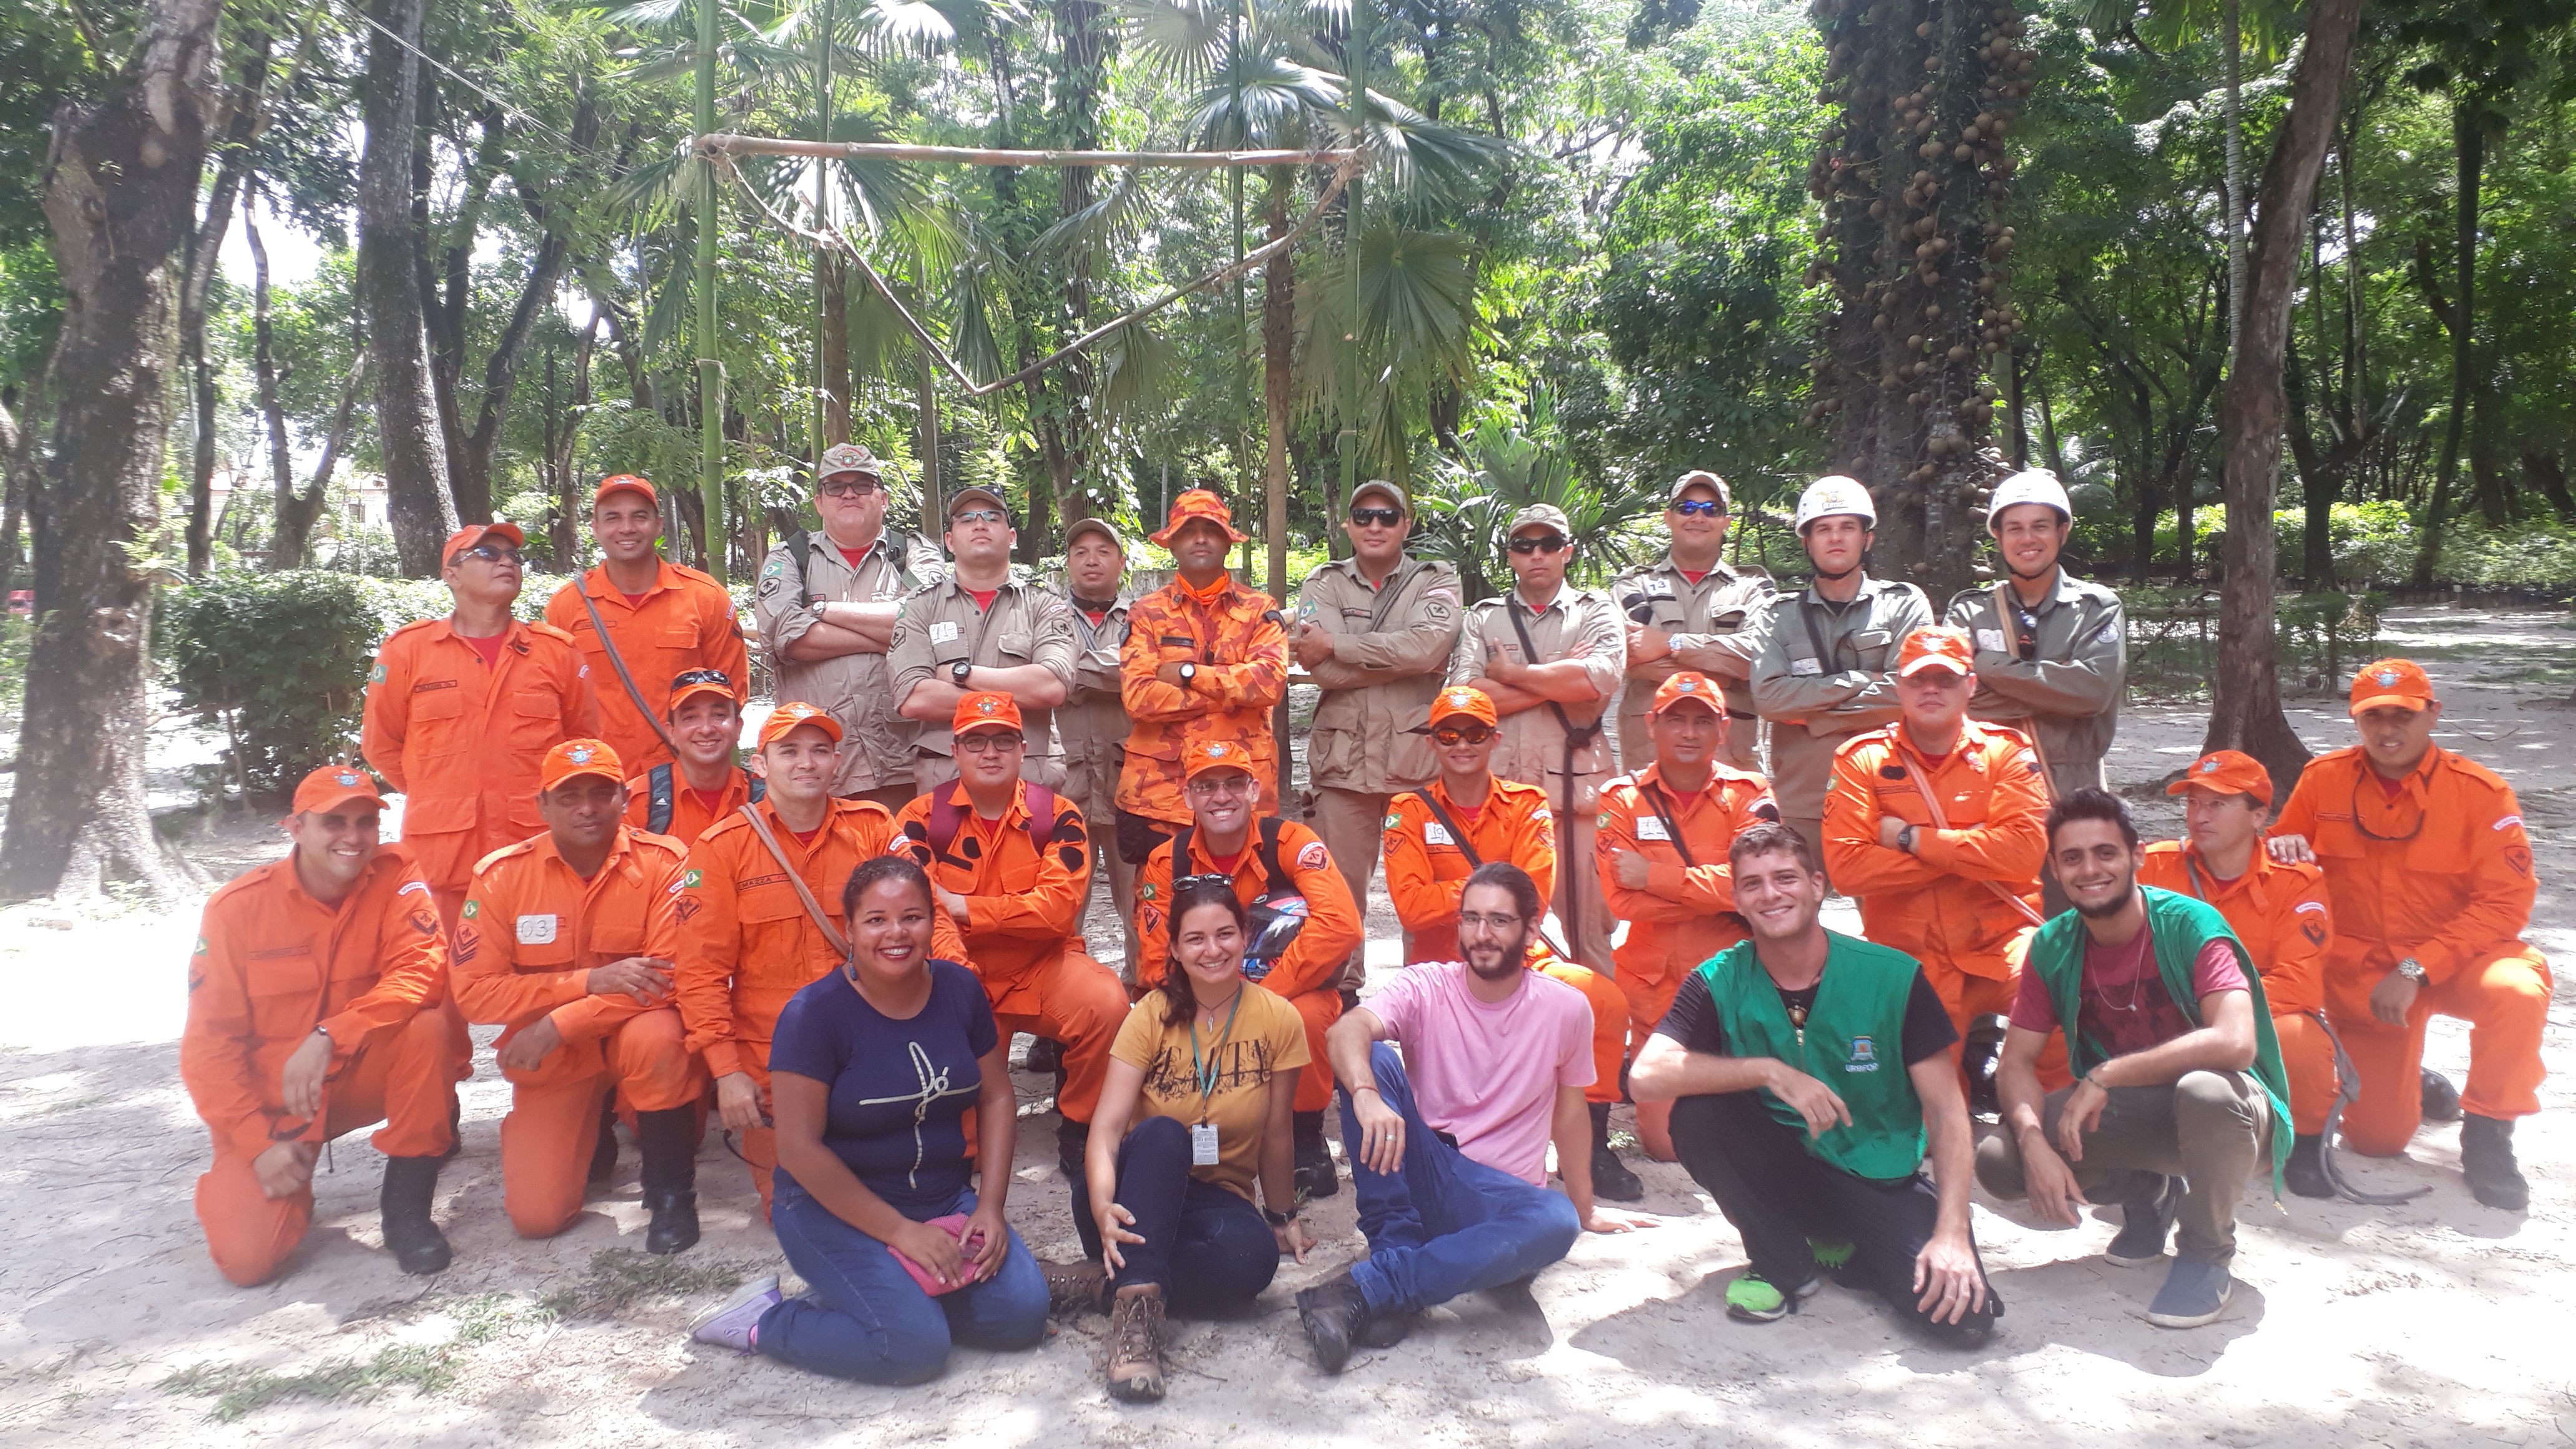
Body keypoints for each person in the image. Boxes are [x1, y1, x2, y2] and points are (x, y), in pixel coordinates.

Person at [1630, 824, 1997, 1343]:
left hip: (1876, 1173)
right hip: (1782, 1170)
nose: (1771, 894)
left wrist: (1953, 1232)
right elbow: (1646, 1077)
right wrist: (1770, 1071)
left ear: (1818, 886)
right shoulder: (1720, 978)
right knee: (1698, 1115)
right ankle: (1783, 1264)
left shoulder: (1894, 976)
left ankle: (1842, 1243)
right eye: (1753, 884)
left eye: (1785, 878)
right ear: (1736, 898)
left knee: (1965, 1323)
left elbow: (1947, 1113)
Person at [688, 856, 1048, 1383]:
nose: (896, 933)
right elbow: (798, 1150)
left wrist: (991, 1207)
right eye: (876, 919)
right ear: (849, 929)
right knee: (913, 1349)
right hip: (829, 1206)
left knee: (1021, 1317)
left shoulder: (960, 990)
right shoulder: (814, 1014)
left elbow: (995, 1098)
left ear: (932, 921)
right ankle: (766, 1320)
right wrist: (901, 1234)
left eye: (913, 916)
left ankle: (886, 1294)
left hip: (943, 1197)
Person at [1299, 863, 1652, 1372]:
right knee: (1371, 1060)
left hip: (1498, 1200)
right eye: (1471, 919)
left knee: (1556, 1221)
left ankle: (1373, 1286)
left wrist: (1584, 1206)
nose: (1482, 935)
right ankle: (1394, 1254)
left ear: (1532, 930)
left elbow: (1571, 1112)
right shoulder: (1427, 985)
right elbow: (1344, 1032)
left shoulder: (1567, 1008)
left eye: (1499, 921)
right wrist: (1365, 1094)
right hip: (1426, 1165)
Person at [1974, 789, 2293, 1330]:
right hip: (2138, 1116)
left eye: (2106, 853)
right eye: (2072, 858)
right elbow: (2016, 1063)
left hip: (2234, 1114)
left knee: (2205, 1091)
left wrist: (2107, 1073)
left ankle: (2206, 1251)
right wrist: (2033, 1141)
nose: (2090, 869)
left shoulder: (2190, 924)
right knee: (1999, 1159)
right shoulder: (2054, 945)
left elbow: (2236, 1042)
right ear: (2053, 867)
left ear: (2137, 856)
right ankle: (2148, 1190)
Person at [2267, 658, 2547, 1211]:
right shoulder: (2324, 780)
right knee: (2377, 1140)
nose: (2388, 730)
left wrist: (2418, 967)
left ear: (2433, 715)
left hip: (2460, 959)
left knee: (2519, 992)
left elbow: (2506, 901)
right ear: (2356, 719)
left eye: (2403, 715)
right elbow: (2280, 858)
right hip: (2370, 977)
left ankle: (2489, 1135)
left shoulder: (2481, 793)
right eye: (2373, 717)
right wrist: (2281, 848)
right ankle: (2411, 1082)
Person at [673, 701, 969, 1214]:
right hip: (774, 1056)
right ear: (760, 765)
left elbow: (931, 916)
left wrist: (957, 988)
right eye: (789, 751)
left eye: (819, 751)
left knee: (930, 1183)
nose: (806, 763)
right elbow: (699, 971)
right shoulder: (722, 848)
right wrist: (726, 1072)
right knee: (798, 1209)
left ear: (839, 762)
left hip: (875, 1037)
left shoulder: (874, 828)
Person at [180, 765, 461, 1286]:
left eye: (365, 823)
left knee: (429, 1026)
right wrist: (256, 1144)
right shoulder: (235, 911)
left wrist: (330, 1035)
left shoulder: (398, 875)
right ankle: (287, 1186)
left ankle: (406, 1210)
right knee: (249, 1263)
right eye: (334, 823)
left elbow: (423, 971)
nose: (353, 838)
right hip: (276, 1105)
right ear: (295, 828)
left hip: (358, 1075)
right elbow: (208, 1046)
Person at [1381, 685, 1637, 1201]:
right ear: (1432, 742)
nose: (1462, 744)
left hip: (1524, 959)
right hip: (1445, 969)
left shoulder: (1527, 803)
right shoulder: (1407, 810)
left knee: (1603, 999)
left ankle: (1590, 1143)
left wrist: (1456, 897)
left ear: (1495, 738)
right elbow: (1409, 905)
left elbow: (1535, 895)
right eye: (1448, 734)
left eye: (1474, 733)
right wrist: (1496, 893)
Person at [451, 739, 705, 1252]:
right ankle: (592, 1130)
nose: (586, 808)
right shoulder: (501, 878)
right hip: (557, 1061)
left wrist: (557, 1023)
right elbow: (474, 995)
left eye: (600, 792)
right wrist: (587, 983)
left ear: (625, 798)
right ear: (542, 805)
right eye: (568, 796)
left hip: (618, 1036)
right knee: (537, 1217)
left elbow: (666, 976)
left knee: (661, 1037)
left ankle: (671, 1192)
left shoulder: (666, 862)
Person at [892, 693, 1127, 1227]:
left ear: (1025, 749)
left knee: (1106, 1004)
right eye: (976, 740)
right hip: (962, 976)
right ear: (955, 750)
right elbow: (921, 912)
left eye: (1003, 741)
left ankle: (1082, 1123)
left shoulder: (1059, 817)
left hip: (1042, 967)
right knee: (964, 1146)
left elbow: (1057, 910)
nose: (990, 752)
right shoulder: (918, 820)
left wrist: (967, 907)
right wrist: (960, 976)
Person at [1083, 879, 1316, 1402]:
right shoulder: (1148, 1016)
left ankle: (1104, 1284)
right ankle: (1136, 1325)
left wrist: (1283, 1219)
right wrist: (1101, 1205)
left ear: (1245, 936)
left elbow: (1278, 1131)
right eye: (1196, 939)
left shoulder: (1279, 1018)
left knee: (1253, 1263)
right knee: (1166, 1135)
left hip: (1211, 1204)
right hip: (1130, 1194)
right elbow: (1105, 1129)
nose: (1212, 950)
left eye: (1225, 934)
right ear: (1174, 949)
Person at [1135, 738, 1362, 1200]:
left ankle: (1305, 1137)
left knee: (1312, 1014)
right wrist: (1209, 1002)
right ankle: (1183, 1132)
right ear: (1188, 796)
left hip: (1282, 992)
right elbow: (1156, 956)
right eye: (1207, 786)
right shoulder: (1167, 861)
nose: (1222, 797)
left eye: (1234, 783)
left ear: (1255, 790)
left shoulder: (1292, 843)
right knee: (1151, 1013)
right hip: (1201, 993)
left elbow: (1342, 925)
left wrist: (1260, 999)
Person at [364, 520, 600, 929]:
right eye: (489, 554)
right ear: (451, 574)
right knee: (446, 983)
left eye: (514, 556)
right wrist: (441, 790)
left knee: (543, 979)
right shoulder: (407, 652)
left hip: (538, 850)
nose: (506, 562)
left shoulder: (556, 652)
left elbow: (582, 746)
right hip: (444, 861)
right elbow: (381, 746)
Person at [1824, 627, 2049, 1052]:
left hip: (2004, 944)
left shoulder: (2007, 752)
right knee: (1933, 1094)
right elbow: (1848, 870)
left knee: (2063, 999)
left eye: (1946, 680)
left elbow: (2023, 854)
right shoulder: (1862, 759)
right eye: (1918, 679)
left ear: (1971, 685)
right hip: (1911, 955)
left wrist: (1909, 838)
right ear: (1898, 686)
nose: (1931, 689)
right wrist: (1974, 850)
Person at [1595, 671, 1781, 1161]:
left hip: (1737, 979)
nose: (1689, 733)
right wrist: (1721, 888)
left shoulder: (1749, 794)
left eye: (1703, 721)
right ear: (1651, 724)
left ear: (1723, 728)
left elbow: (1756, 889)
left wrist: (1654, 875)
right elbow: (1622, 902)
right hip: (1655, 984)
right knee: (1667, 1147)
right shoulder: (1621, 799)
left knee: (1755, 1143)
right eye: (1675, 720)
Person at [2138, 749, 2338, 1199]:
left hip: (2250, 1015)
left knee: (2301, 1038)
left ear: (2259, 815)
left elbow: (2299, 981)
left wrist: (2220, 1016)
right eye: (2192, 803)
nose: (2199, 816)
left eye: (2217, 804)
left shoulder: (2296, 881)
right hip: (2170, 1009)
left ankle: (2305, 1142)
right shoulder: (2154, 866)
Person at [1294, 479, 1465, 998]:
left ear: (1406, 525)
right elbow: (1320, 671)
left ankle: (1432, 996)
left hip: (1418, 763)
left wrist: (1340, 645)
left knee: (1430, 897)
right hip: (1343, 766)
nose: (1375, 525)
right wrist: (1404, 660)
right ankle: (1341, 998)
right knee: (1338, 893)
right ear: (1347, 524)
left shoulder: (1438, 579)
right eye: (1363, 515)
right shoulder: (1323, 582)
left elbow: (1430, 646)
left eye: (1388, 516)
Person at [1445, 503, 1626, 975]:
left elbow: (1599, 680)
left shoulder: (1596, 608)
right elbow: (1463, 700)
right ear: (1510, 556)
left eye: (1548, 544)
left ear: (1567, 552)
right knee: (1497, 934)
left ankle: (1599, 1044)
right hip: (1501, 801)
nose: (1537, 555)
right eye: (1525, 546)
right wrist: (1557, 678)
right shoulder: (1484, 618)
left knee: (1590, 936)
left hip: (1575, 796)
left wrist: (1508, 674)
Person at [1945, 469, 2126, 914]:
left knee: (2079, 916)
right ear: (1999, 536)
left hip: (2072, 784)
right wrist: (2053, 687)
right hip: (1988, 787)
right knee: (1998, 915)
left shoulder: (2095, 608)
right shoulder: (1969, 608)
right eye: (2015, 528)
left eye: (2040, 526)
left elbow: (2092, 692)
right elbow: (1952, 695)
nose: (2028, 539)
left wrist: (1986, 667)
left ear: (2062, 532)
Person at [1749, 477, 1933, 886]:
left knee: (1894, 931)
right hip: (1803, 797)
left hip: (1889, 796)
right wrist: (1858, 679)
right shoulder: (1776, 616)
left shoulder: (1903, 605)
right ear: (1807, 542)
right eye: (1823, 529)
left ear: (1867, 538)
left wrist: (1817, 717)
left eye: (1847, 527)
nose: (1836, 538)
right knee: (1793, 921)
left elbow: (1909, 694)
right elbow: (1771, 699)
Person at [753, 443, 947, 812]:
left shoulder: (913, 553)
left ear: (883, 498)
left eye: (862, 485)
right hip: (815, 763)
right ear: (819, 502)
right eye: (835, 486)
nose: (848, 494)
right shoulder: (791, 558)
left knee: (905, 868)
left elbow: (929, 622)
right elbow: (789, 638)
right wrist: (887, 637)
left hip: (904, 760)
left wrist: (823, 609)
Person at [1115, 489, 1288, 871]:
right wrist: (1232, 692)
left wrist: (1188, 675)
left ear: (1227, 542)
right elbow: (1139, 698)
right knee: (1161, 914)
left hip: (1243, 790)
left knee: (1246, 909)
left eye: (1210, 529)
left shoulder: (1261, 610)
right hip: (1163, 796)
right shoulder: (1145, 613)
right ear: (1172, 543)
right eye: (1187, 530)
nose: (1200, 538)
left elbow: (1270, 684)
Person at [544, 474, 748, 774]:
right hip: (602, 781)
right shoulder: (567, 606)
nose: (627, 528)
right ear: (596, 528)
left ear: (658, 524)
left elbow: (732, 692)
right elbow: (557, 704)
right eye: (613, 518)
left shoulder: (705, 597)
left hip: (685, 778)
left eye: (639, 516)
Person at [890, 488, 1078, 793]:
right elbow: (914, 698)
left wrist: (960, 674)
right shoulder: (919, 606)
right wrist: (1015, 693)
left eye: (992, 517)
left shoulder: (1044, 604)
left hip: (1030, 778)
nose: (980, 524)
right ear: (950, 541)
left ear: (1012, 537)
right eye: (966, 519)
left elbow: (1051, 687)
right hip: (945, 780)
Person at [1611, 471, 1774, 773]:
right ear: (1669, 517)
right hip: (1648, 761)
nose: (1698, 516)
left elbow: (1760, 657)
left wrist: (1669, 643)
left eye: (1712, 510)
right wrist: (1725, 673)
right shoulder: (1633, 586)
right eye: (1687, 508)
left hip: (1732, 760)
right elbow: (1632, 657)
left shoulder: (1753, 587)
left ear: (1727, 521)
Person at [1058, 516, 1139, 977]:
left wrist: (1068, 673)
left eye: (1104, 551)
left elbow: (1143, 672)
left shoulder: (1146, 616)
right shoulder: (1045, 615)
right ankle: (1059, 1028)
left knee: (1141, 906)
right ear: (1068, 563)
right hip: (1065, 781)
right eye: (1081, 551)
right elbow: (1037, 668)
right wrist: (1112, 672)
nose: (1092, 560)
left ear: (1122, 562)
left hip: (1131, 781)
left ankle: (1145, 1002)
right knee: (1064, 908)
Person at [623, 669, 763, 846]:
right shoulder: (637, 801)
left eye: (718, 715)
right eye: (691, 718)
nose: (706, 729)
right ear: (671, 733)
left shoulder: (767, 800)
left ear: (738, 727)